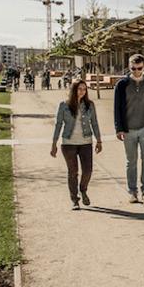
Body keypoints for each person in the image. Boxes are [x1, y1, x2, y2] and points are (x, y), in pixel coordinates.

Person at [113, 53, 144, 204]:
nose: (136, 71)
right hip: (128, 130)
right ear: (129, 67)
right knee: (131, 162)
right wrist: (118, 128)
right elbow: (116, 108)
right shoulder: (121, 85)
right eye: (133, 68)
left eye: (139, 68)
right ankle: (132, 192)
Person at [50, 79, 102, 210]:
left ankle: (83, 189)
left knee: (88, 171)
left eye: (84, 89)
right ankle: (74, 199)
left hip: (86, 143)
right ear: (74, 90)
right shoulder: (64, 105)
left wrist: (99, 140)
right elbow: (58, 124)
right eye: (79, 89)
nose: (82, 92)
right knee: (73, 172)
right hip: (68, 144)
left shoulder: (90, 105)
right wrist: (54, 143)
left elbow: (94, 123)